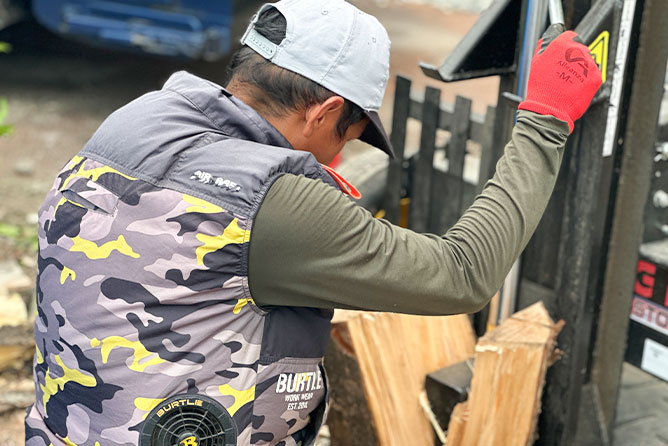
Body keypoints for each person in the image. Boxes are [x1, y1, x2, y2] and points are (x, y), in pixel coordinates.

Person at [25, 0, 601, 444]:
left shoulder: (136, 122)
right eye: (347, 136)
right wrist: (545, 121)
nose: (338, 156)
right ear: (324, 112)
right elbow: (462, 275)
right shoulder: (273, 202)